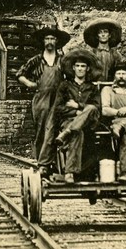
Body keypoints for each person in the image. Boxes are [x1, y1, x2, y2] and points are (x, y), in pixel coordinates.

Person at [16, 24, 71, 177]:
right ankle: (42, 164)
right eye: (47, 38)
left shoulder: (63, 60)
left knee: (57, 130)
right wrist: (30, 84)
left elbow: (71, 77)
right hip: (41, 100)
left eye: (52, 38)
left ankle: (54, 163)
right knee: (41, 131)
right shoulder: (36, 60)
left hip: (59, 99)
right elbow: (20, 74)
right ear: (43, 41)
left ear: (57, 41)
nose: (49, 41)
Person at [52, 49, 101, 183]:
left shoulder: (92, 88)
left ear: (88, 69)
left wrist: (78, 106)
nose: (80, 69)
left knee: (91, 108)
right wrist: (76, 113)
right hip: (68, 120)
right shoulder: (65, 86)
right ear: (73, 68)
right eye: (78, 66)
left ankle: (67, 132)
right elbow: (58, 108)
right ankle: (70, 173)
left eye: (83, 66)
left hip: (90, 122)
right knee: (77, 133)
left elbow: (97, 108)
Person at [82, 17, 124, 84]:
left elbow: (120, 71)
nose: (103, 34)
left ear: (109, 35)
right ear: (97, 36)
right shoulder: (91, 54)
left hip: (110, 86)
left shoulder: (116, 55)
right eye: (100, 32)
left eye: (105, 32)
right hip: (94, 86)